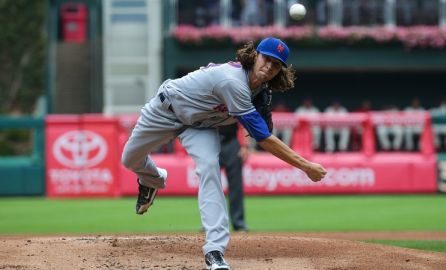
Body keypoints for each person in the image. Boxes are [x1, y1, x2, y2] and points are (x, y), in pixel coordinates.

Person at [121, 37, 327, 270]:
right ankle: (152, 179)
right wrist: (306, 166)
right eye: (266, 59)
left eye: (276, 64)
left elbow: (262, 128)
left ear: (280, 70)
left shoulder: (258, 89)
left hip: (201, 126)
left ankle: (215, 251)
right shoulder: (233, 81)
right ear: (254, 56)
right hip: (166, 110)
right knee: (129, 159)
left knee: (209, 168)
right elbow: (264, 138)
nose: (269, 67)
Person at [219, 123, 249, 232]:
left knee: (236, 186)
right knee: (209, 185)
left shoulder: (232, 105)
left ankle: (239, 223)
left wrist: (245, 146)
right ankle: (209, 223)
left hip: (231, 140)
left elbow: (243, 123)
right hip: (210, 139)